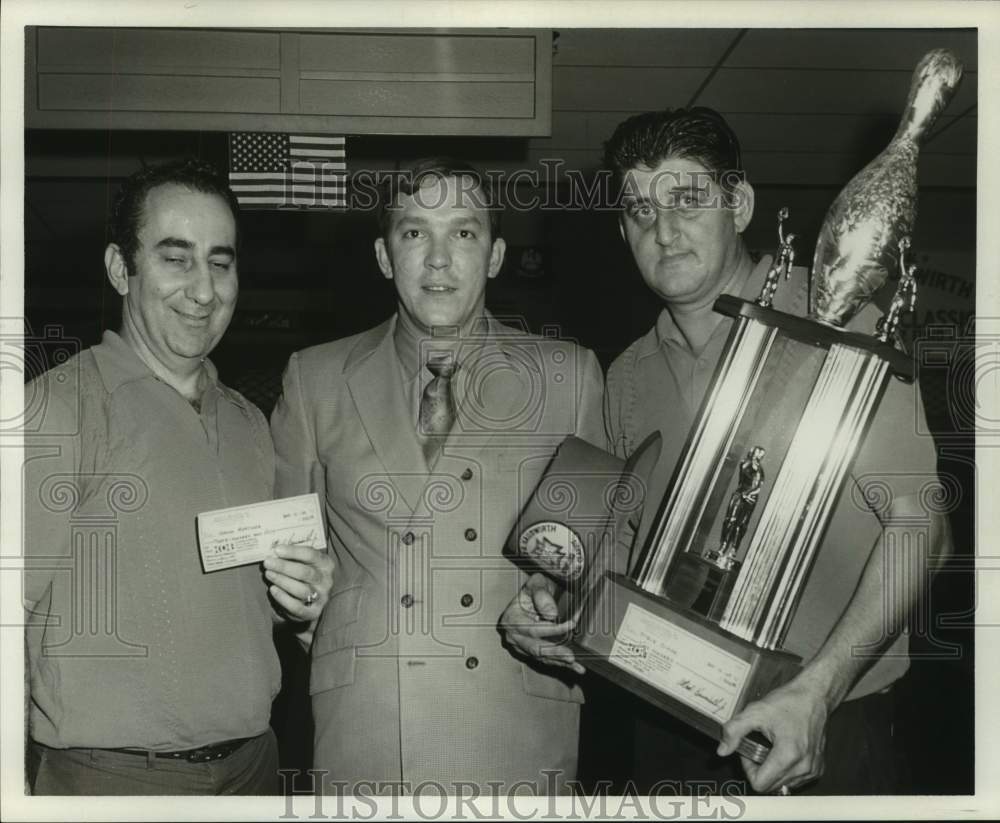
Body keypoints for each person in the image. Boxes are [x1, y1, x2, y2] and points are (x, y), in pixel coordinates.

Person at [502, 108, 951, 795]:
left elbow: (924, 527)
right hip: (671, 720)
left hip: (823, 720)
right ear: (622, 229)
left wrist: (819, 694)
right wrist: (553, 595)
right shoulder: (627, 374)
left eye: (688, 199)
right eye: (639, 210)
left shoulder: (841, 330)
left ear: (738, 205)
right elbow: (623, 546)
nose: (664, 230)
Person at [270, 157, 604, 796]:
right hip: (367, 732)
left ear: (498, 254)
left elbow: (601, 556)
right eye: (415, 233)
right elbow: (288, 559)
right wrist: (312, 607)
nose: (441, 259)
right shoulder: (315, 379)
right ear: (383, 254)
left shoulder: (568, 377)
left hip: (512, 730)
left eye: (465, 232)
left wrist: (558, 608)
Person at [22, 159, 334, 795]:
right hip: (109, 778)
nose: (203, 289)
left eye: (220, 262)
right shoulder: (55, 409)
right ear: (120, 269)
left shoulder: (251, 424)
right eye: (176, 257)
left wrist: (302, 601)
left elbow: (235, 601)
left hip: (255, 767)